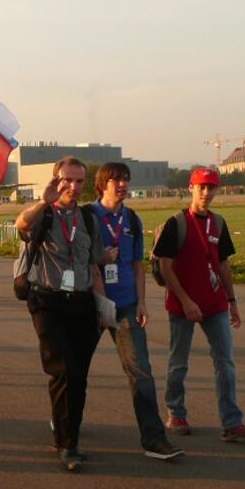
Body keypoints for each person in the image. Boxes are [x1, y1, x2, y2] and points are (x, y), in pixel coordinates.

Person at [152, 168, 245, 443]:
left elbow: (223, 264)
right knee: (178, 362)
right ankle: (176, 413)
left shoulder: (219, 224)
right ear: (190, 187)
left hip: (214, 304)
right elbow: (165, 266)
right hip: (182, 305)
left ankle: (232, 423)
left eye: (211, 187)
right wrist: (186, 301)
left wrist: (232, 301)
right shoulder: (176, 223)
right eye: (201, 187)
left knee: (225, 363)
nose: (206, 192)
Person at [14, 157, 107, 472]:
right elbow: (21, 225)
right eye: (67, 180)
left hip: (80, 303)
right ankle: (69, 444)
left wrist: (102, 306)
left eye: (80, 181)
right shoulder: (44, 214)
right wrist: (43, 202)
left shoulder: (89, 219)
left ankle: (66, 430)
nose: (73, 187)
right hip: (47, 301)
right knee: (63, 369)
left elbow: (93, 265)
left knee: (77, 375)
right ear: (56, 180)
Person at [90, 163, 183, 461]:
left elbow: (137, 265)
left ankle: (154, 439)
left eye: (126, 180)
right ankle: (65, 425)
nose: (122, 185)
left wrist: (142, 301)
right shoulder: (87, 216)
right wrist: (101, 259)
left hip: (127, 304)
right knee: (74, 369)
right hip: (91, 303)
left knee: (140, 371)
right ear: (102, 184)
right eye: (116, 180)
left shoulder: (131, 218)